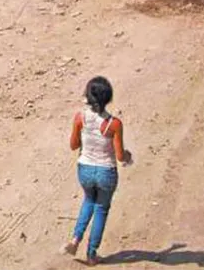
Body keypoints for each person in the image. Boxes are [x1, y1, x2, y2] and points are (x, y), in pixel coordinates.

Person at [64, 76, 132, 266]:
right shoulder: (114, 124)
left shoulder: (80, 117)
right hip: (106, 172)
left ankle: (75, 239)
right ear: (108, 98)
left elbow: (73, 145)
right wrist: (128, 156)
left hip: (85, 169)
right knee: (101, 209)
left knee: (88, 201)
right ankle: (92, 254)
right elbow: (120, 156)